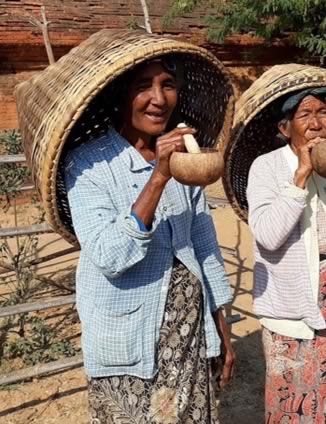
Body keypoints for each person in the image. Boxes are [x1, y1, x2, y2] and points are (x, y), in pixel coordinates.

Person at [64, 58, 234, 422]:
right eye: (143, 85)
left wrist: (220, 326)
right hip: (129, 339)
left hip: (188, 336)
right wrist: (158, 176)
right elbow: (111, 255)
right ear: (119, 96)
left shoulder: (186, 158)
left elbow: (204, 246)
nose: (159, 98)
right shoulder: (88, 164)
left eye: (167, 84)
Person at [246, 87, 326, 422]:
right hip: (292, 296)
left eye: (323, 112)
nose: (316, 123)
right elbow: (268, 236)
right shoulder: (266, 167)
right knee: (293, 393)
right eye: (304, 115)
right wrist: (301, 175)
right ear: (284, 127)